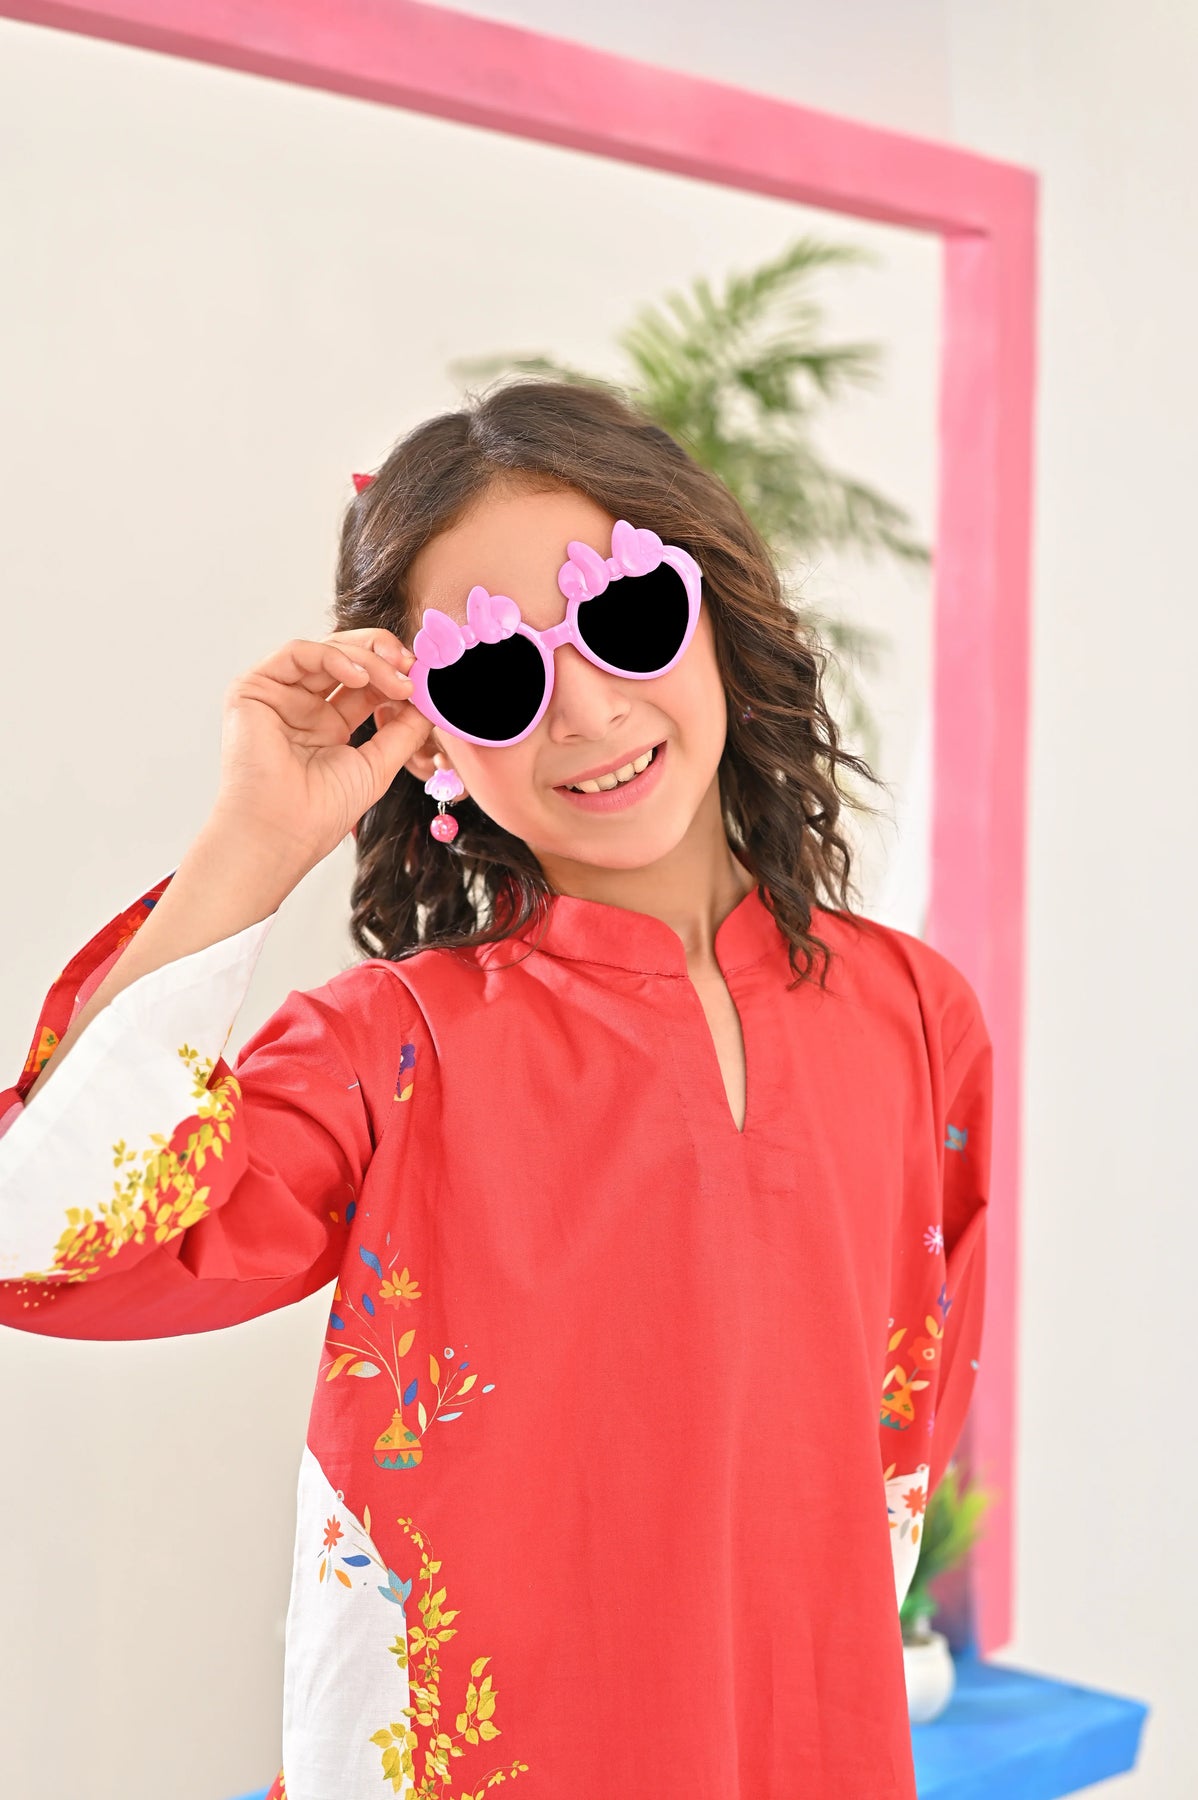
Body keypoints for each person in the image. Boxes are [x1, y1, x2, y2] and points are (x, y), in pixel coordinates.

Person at [0, 378, 992, 1800]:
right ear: (432, 748)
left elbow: (888, 1461)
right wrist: (251, 842)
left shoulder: (917, 1020)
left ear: (715, 609)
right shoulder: (387, 1053)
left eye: (625, 615)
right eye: (493, 680)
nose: (583, 707)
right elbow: (41, 1243)